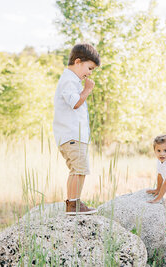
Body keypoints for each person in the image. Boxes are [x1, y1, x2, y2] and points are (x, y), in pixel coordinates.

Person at [53, 43, 100, 215]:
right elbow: (75, 103)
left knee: (80, 170)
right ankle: (72, 204)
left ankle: (75, 202)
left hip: (75, 135)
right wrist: (87, 90)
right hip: (70, 134)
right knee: (78, 169)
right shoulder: (68, 80)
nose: (89, 73)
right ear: (78, 62)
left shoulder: (72, 81)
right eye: (89, 68)